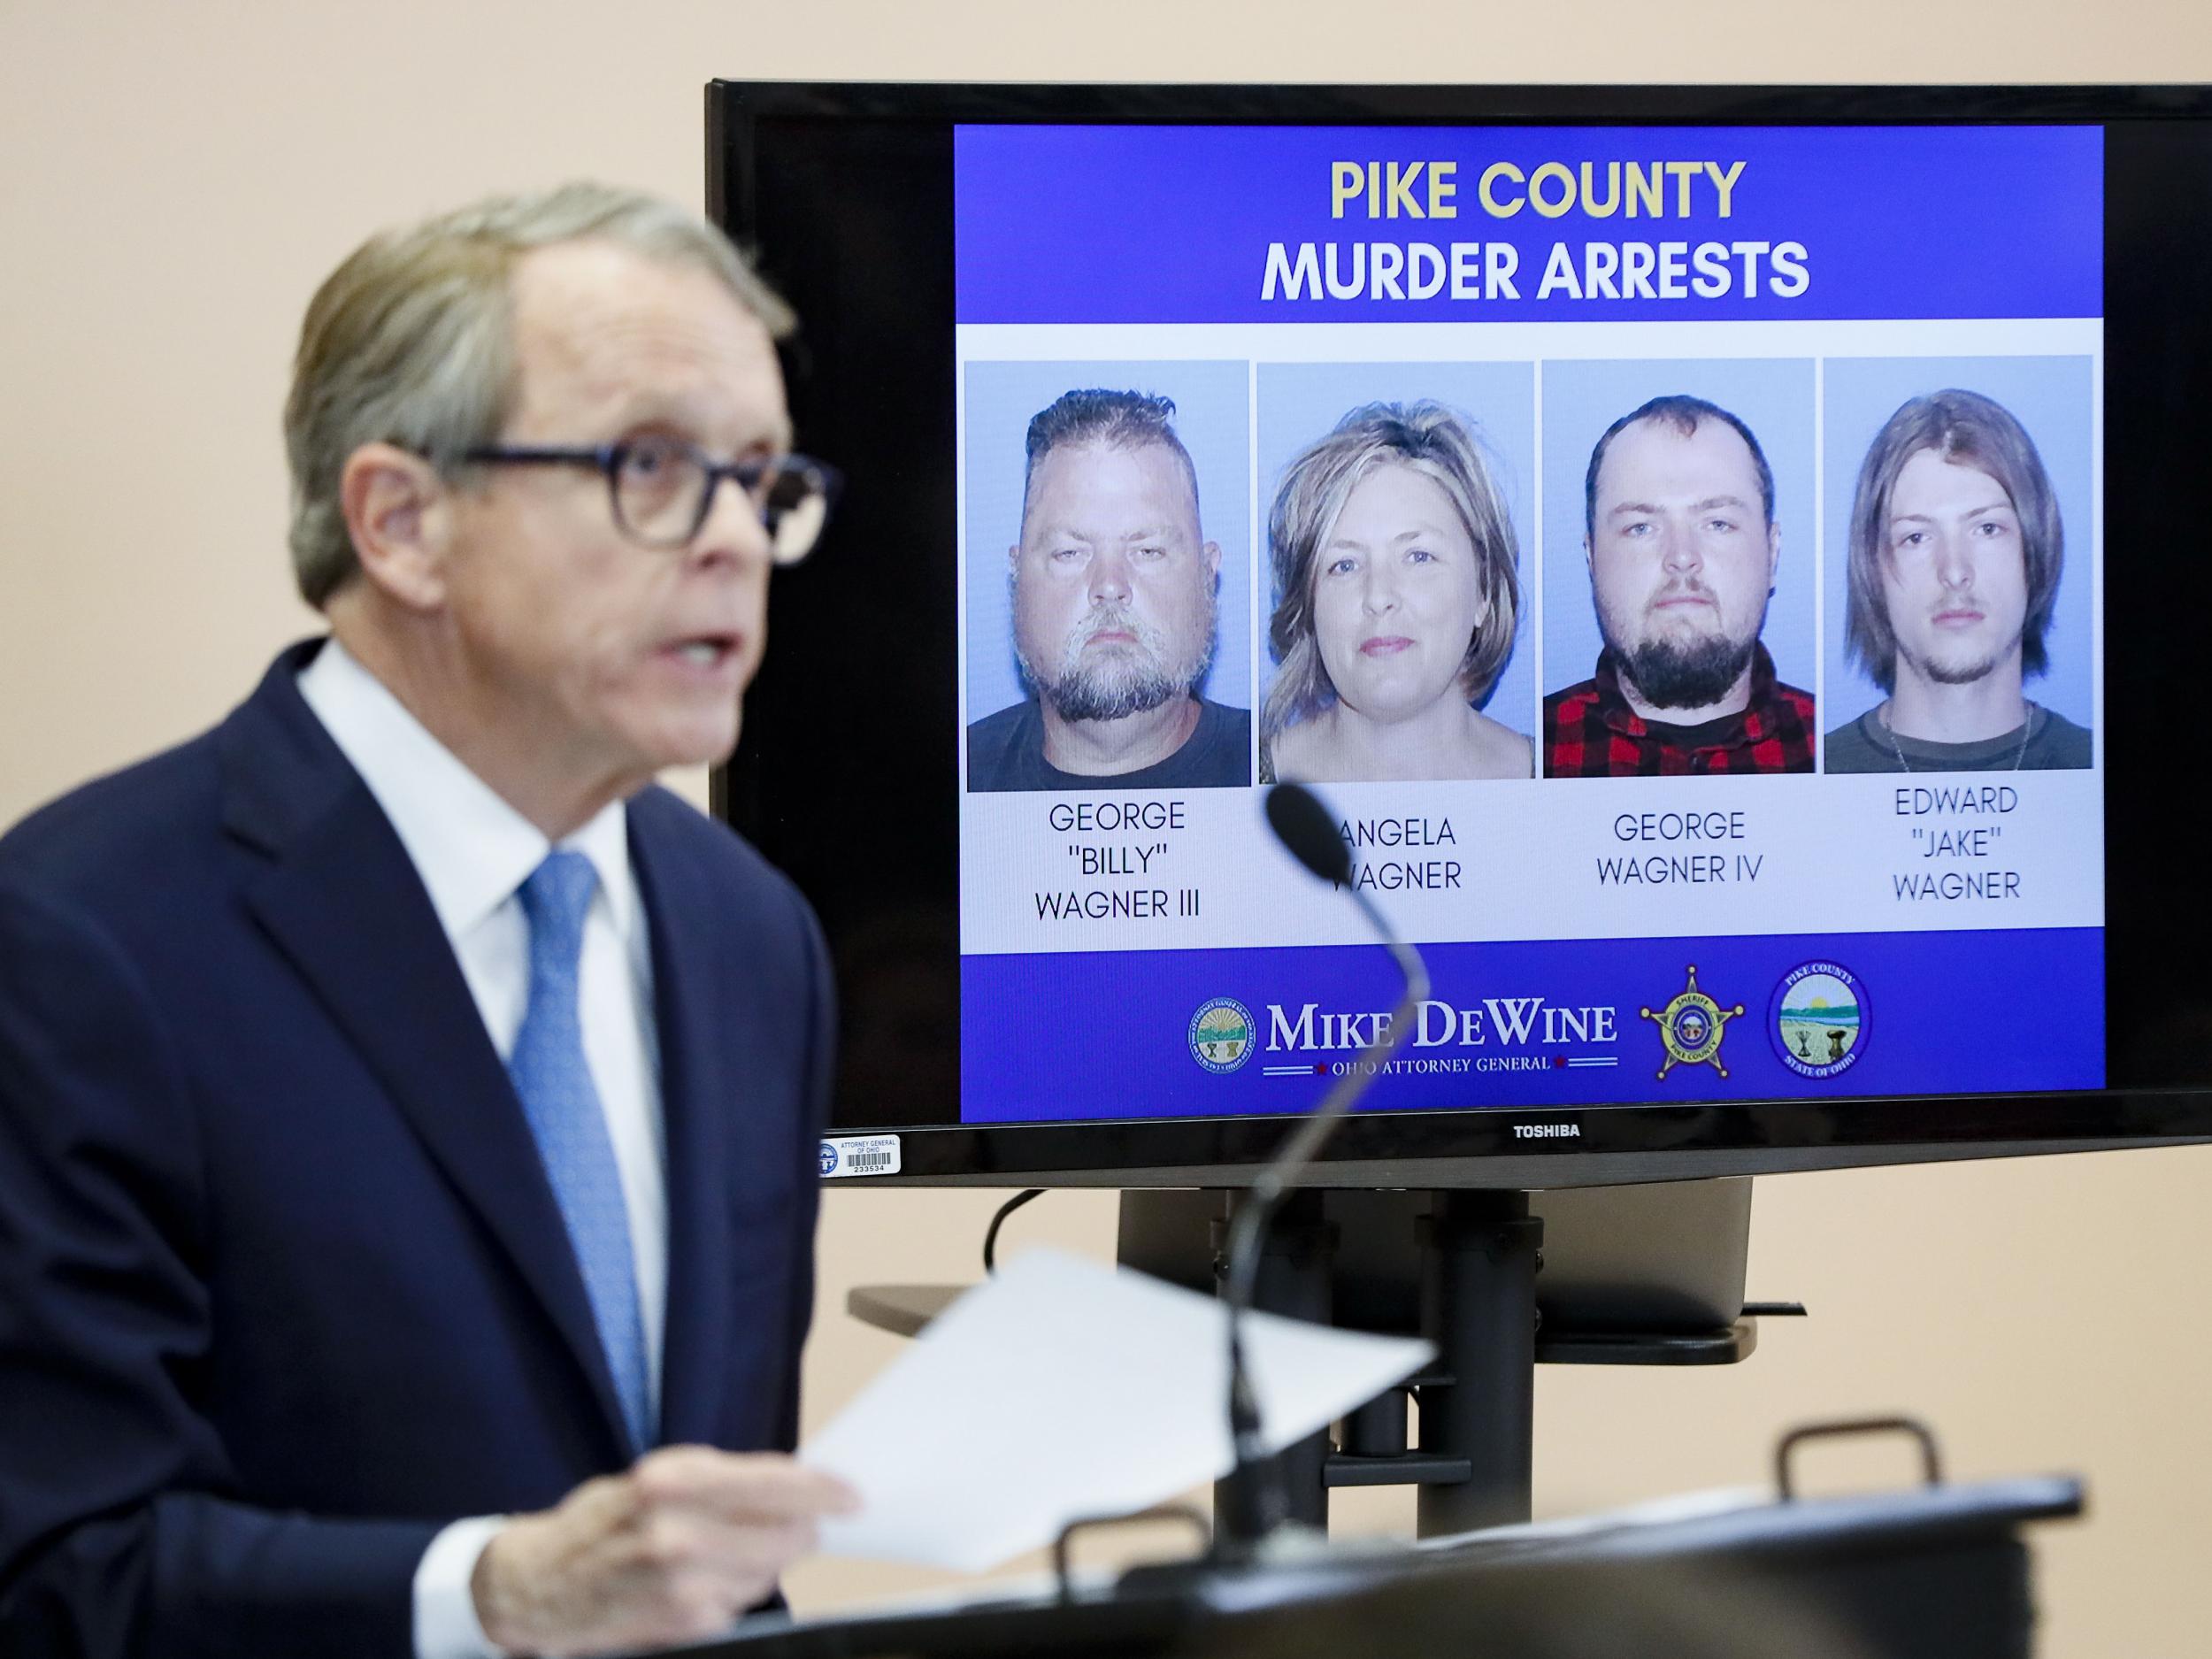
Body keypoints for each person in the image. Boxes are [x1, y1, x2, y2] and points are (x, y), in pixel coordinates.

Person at [0, 185, 859, 1659]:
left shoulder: (751, 938)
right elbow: (54, 1572)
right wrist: (489, 1600)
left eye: (763, 479)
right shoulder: (82, 942)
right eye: (652, 467)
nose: (733, 541)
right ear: (401, 522)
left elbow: (707, 1562)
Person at [967, 389, 1251, 790]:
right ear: (1017, 578)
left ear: (1208, 574)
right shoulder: (958, 775)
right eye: (1069, 552)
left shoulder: (1288, 772)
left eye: (1148, 550)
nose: (1110, 585)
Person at [1544, 394, 1815, 777]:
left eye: (1718, 523)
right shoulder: (1536, 755)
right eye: (1641, 528)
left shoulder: (1830, 754)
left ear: (1772, 554)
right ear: (1592, 560)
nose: (1682, 556)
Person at [1262, 401, 1530, 782]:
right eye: (1345, 565)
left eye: (1418, 557)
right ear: (1308, 608)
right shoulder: (1239, 786)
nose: (1378, 596)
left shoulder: (1560, 779)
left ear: (1484, 591)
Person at [1825, 388, 2091, 772]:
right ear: (1872, 569)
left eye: (1986, 529)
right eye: (1916, 537)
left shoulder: (2093, 766)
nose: (1953, 572)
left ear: (2034, 551)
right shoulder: (1817, 776)